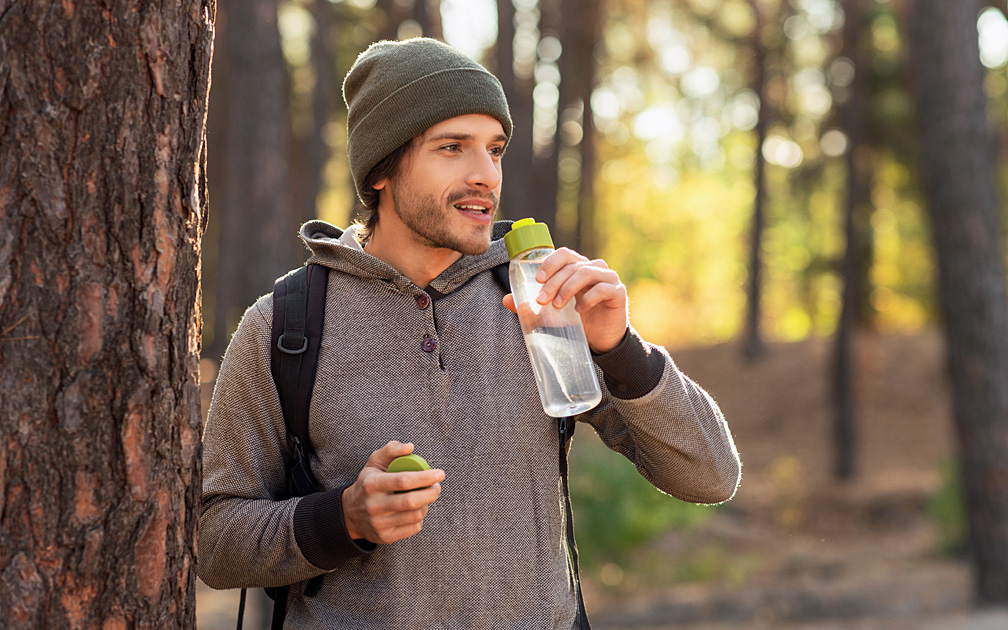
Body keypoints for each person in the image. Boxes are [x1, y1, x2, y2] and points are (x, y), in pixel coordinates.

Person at [198, 37, 741, 629]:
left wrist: (620, 347)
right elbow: (214, 538)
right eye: (452, 148)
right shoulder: (284, 326)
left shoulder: (541, 300)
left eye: (495, 149)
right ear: (380, 171)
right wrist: (344, 519)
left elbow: (710, 475)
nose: (485, 175)